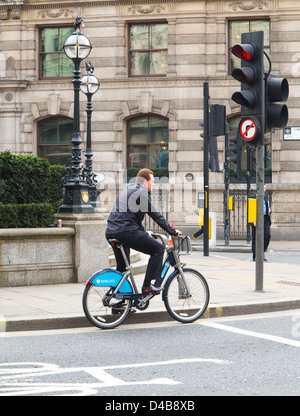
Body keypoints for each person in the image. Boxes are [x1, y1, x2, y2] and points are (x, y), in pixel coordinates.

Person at [106, 168, 182, 295]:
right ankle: (147, 286)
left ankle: (117, 301)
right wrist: (172, 231)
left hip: (112, 231)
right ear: (145, 181)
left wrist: (143, 231)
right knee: (158, 249)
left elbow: (129, 216)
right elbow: (156, 215)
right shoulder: (141, 193)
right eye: (152, 181)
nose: (154, 184)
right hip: (126, 231)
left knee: (123, 268)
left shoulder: (129, 190)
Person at [251, 184, 271, 261]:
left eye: (265, 188)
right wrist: (253, 220)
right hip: (256, 218)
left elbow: (267, 206)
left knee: (267, 236)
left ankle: (261, 252)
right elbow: (251, 210)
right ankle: (255, 255)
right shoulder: (253, 197)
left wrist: (269, 210)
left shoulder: (265, 197)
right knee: (256, 237)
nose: (264, 190)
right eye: (263, 188)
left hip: (265, 218)